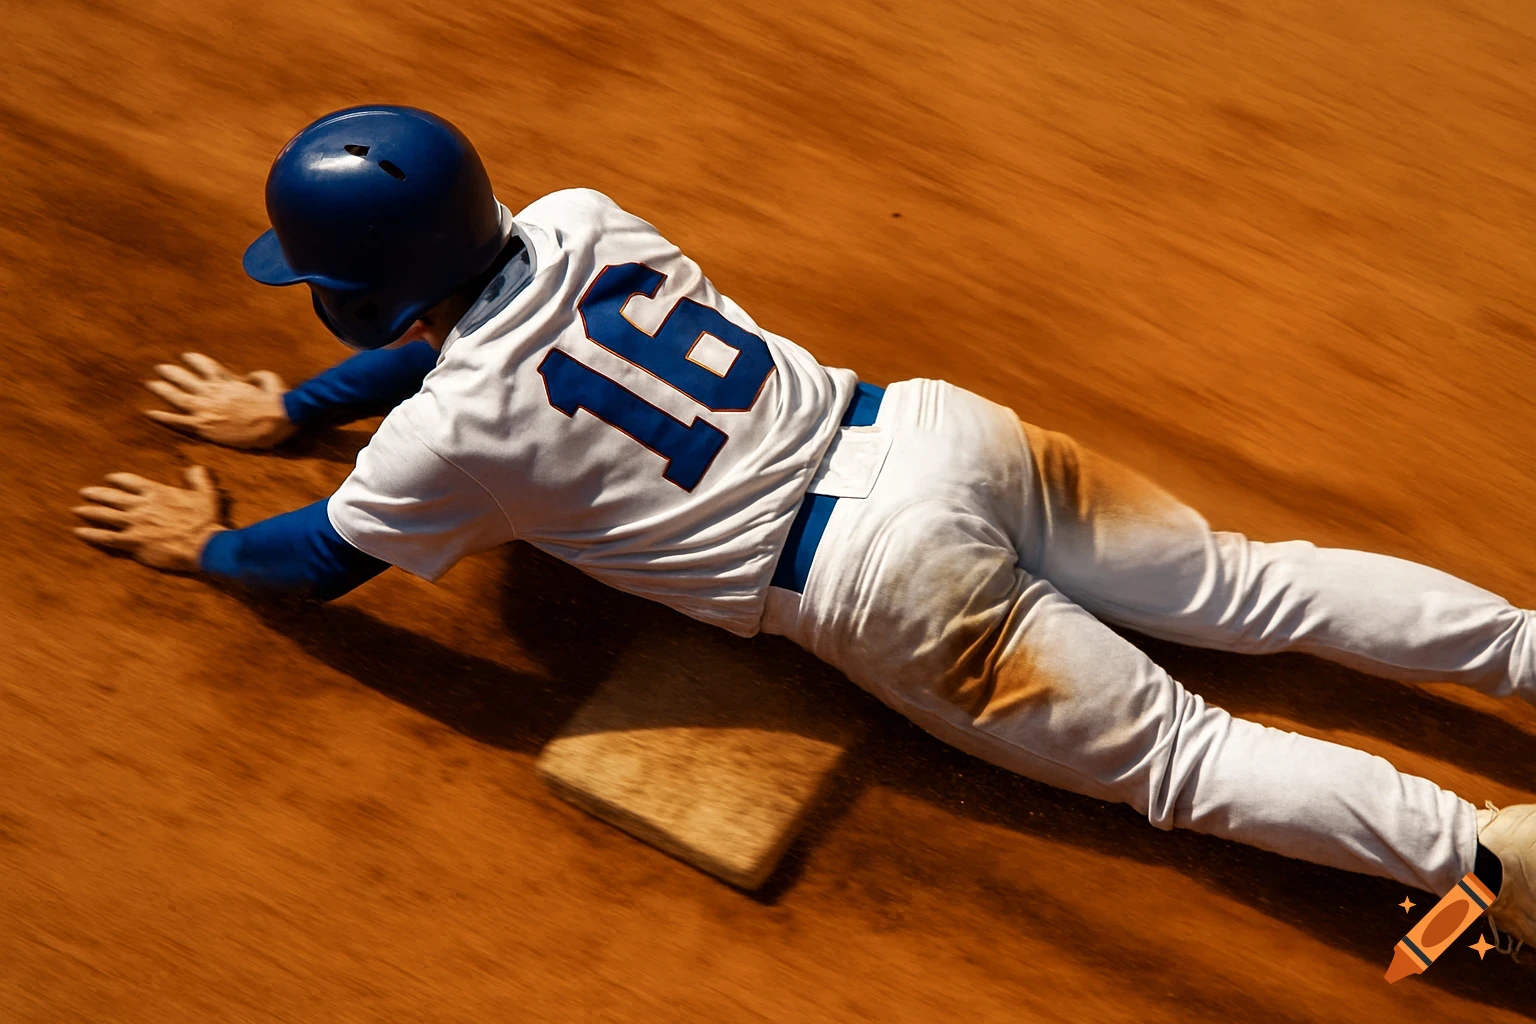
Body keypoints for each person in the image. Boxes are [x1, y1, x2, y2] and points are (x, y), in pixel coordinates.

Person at [73, 105, 1536, 958]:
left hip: (890, 589)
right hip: (943, 435)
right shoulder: (582, 214)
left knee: (1186, 761)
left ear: (356, 294)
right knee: (1260, 587)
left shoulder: (444, 440)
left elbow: (322, 557)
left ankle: (1482, 852)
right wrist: (300, 404)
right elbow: (460, 332)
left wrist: (205, 543)